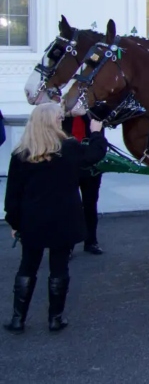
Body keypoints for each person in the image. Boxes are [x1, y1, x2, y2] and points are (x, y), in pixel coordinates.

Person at [3, 102, 107, 334]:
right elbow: (95, 154)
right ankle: (55, 319)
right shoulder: (69, 148)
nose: (62, 121)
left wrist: (14, 223)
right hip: (64, 218)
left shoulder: (21, 154)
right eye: (59, 118)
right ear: (52, 122)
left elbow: (12, 196)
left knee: (27, 267)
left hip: (32, 220)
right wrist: (97, 133)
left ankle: (18, 319)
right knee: (58, 268)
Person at [62, 112, 104, 255]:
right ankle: (68, 244)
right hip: (69, 162)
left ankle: (91, 241)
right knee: (69, 206)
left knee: (90, 204)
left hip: (91, 163)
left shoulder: (94, 111)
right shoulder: (63, 110)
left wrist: (85, 111)